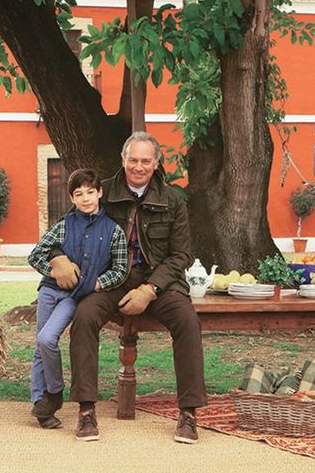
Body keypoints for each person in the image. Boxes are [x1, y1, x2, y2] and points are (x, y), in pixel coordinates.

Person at [51, 131, 207, 443]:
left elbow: (181, 255)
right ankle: (85, 410)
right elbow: (62, 231)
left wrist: (151, 289)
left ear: (156, 163)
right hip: (110, 279)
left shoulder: (173, 199)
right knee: (84, 316)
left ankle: (188, 413)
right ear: (123, 161)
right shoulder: (101, 192)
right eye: (133, 160)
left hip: (159, 282)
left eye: (145, 161)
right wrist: (59, 259)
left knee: (188, 322)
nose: (138, 166)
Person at [26, 169, 128, 429]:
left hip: (74, 296)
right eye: (79, 194)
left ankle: (55, 392)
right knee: (41, 346)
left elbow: (120, 269)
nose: (86, 199)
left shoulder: (113, 231)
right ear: (72, 198)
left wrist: (96, 283)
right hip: (50, 290)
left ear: (100, 193)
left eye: (90, 192)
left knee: (47, 339)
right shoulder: (64, 226)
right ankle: (41, 405)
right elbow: (35, 255)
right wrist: (55, 271)